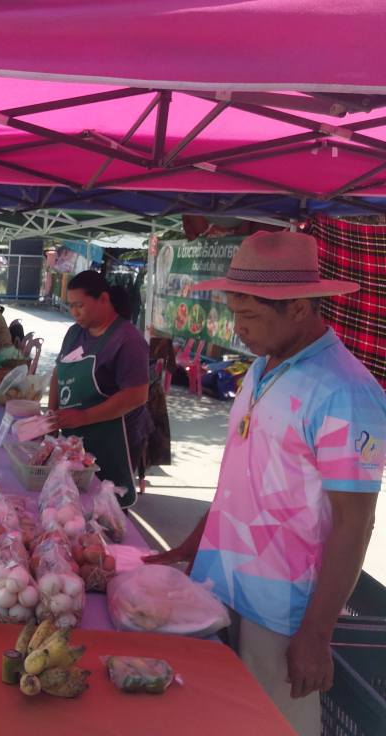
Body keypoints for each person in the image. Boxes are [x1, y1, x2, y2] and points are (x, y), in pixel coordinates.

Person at [144, 231, 386, 736]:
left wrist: (316, 634)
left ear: (298, 308)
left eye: (249, 316)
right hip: (220, 582)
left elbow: (356, 523)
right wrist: (194, 544)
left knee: (267, 725)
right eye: (235, 314)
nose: (238, 329)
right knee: (213, 718)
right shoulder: (260, 368)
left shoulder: (345, 392)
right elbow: (241, 474)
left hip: (281, 611)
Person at [46, 271, 154, 507]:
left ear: (104, 299)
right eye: (71, 306)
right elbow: (58, 372)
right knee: (72, 500)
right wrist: (51, 416)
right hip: (76, 435)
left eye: (80, 305)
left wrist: (84, 416)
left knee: (107, 504)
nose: (74, 312)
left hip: (115, 439)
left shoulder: (127, 340)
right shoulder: (75, 333)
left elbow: (137, 395)